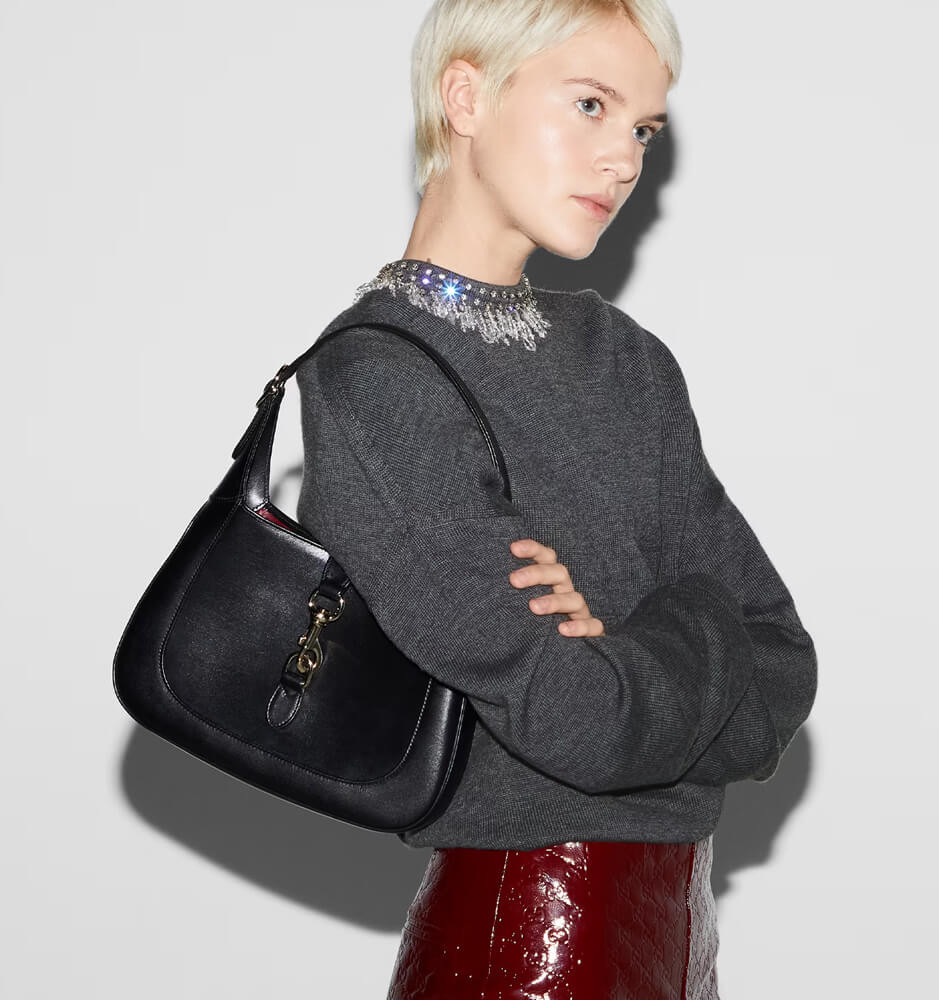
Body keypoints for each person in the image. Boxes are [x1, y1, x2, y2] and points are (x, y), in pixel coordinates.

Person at [294, 1, 818, 997]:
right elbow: (580, 723)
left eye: (643, 129)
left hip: (681, 934)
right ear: (466, 96)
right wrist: (701, 621)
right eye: (590, 105)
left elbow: (783, 668)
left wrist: (624, 641)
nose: (623, 159)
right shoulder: (379, 380)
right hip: (526, 941)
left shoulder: (624, 359)